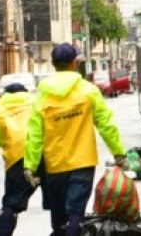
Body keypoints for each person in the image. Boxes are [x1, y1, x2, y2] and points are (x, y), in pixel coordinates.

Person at [24, 44, 126, 236]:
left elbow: (35, 134)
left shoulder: (43, 96)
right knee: (76, 213)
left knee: (59, 216)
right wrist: (119, 153)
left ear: (53, 64)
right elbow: (106, 125)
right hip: (83, 162)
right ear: (74, 63)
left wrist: (30, 165)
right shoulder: (89, 91)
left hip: (55, 165)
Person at [0, 83, 55, 236]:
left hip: (18, 161)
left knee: (11, 204)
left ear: (4, 96)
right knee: (58, 201)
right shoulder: (40, 105)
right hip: (47, 156)